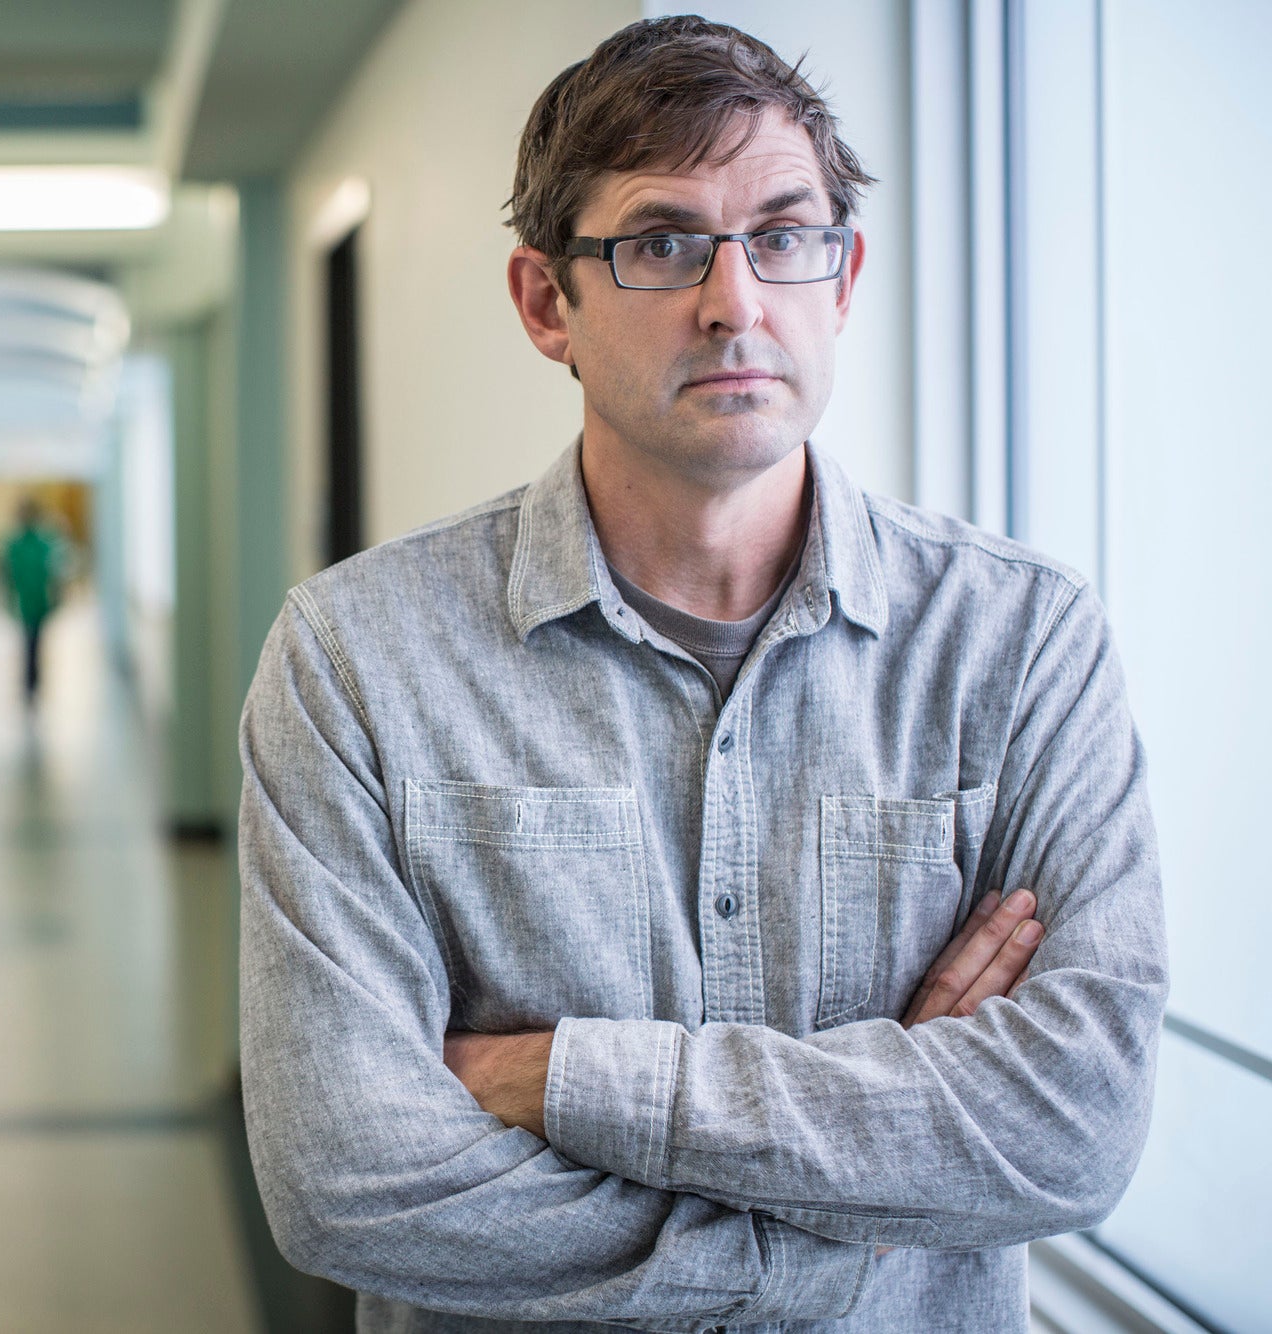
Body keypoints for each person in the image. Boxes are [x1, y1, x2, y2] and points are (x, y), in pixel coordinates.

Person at [238, 17, 1165, 1333]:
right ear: (546, 302)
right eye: (662, 243)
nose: (736, 300)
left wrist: (564, 1079)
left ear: (841, 282)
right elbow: (350, 1182)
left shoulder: (1021, 647)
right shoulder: (360, 660)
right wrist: (846, 1232)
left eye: (784, 236)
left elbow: (1075, 1129)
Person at [1, 498, 65, 704]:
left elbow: (54, 574)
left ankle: (32, 681)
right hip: (29, 600)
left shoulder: (38, 544)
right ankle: (31, 681)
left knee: (33, 642)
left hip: (36, 600)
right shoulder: (25, 545)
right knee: (31, 642)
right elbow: (7, 575)